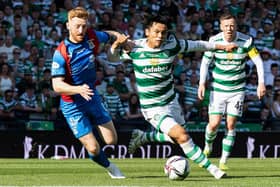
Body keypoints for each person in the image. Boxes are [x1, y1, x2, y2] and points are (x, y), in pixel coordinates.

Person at [108, 14, 237, 179]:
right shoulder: (134, 48)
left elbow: (197, 44)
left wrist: (221, 46)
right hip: (152, 107)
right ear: (147, 31)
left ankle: (143, 137)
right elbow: (112, 59)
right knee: (182, 136)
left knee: (177, 138)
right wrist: (115, 46)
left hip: (171, 102)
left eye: (164, 32)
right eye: (156, 32)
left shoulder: (171, 45)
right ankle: (214, 170)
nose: (160, 36)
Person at [51, 7, 129, 179]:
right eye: (77, 26)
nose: (81, 30)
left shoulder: (92, 36)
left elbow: (109, 35)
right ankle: (110, 167)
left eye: (84, 26)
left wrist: (120, 39)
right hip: (73, 104)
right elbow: (56, 85)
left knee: (111, 141)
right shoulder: (61, 52)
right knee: (93, 147)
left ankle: (94, 150)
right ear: (68, 26)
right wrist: (77, 89)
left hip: (92, 98)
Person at [198, 13, 266, 171]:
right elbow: (205, 62)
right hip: (218, 89)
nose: (229, 29)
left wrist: (261, 83)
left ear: (236, 26)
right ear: (221, 27)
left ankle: (223, 160)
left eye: (232, 26)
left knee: (230, 124)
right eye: (226, 26)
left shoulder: (246, 41)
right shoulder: (214, 41)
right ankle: (208, 146)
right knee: (214, 124)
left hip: (237, 90)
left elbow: (258, 61)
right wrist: (202, 83)